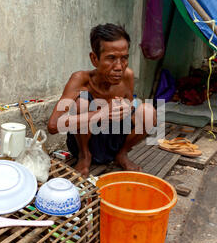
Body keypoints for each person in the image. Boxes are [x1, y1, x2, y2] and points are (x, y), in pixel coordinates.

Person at [48, 23, 156, 178]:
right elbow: (53, 125)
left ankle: (122, 155)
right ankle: (85, 157)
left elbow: (132, 111)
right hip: (84, 142)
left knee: (148, 111)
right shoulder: (80, 79)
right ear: (94, 59)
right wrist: (103, 112)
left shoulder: (127, 76)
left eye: (124, 58)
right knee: (82, 102)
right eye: (111, 58)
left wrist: (127, 108)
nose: (119, 66)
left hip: (113, 142)